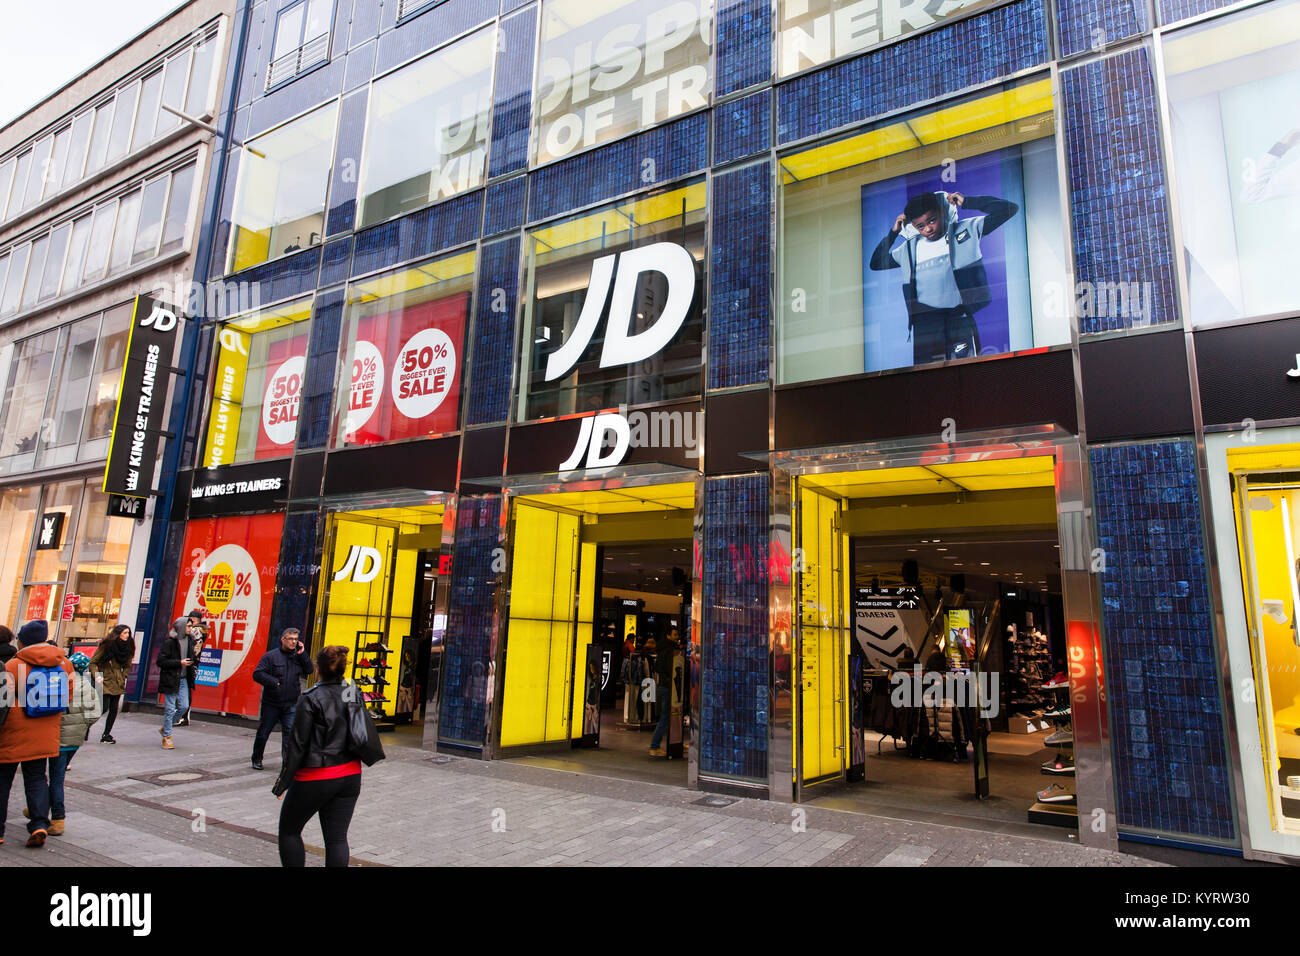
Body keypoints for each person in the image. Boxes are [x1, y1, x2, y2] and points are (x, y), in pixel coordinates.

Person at [869, 190, 1018, 365]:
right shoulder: (908, 249)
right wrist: (893, 232)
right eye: (920, 226)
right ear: (913, 226)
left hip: (958, 318)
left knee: (967, 370)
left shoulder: (966, 229)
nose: (928, 229)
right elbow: (876, 262)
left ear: (942, 212)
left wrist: (967, 201)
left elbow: (1008, 209)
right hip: (926, 325)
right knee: (928, 381)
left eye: (932, 220)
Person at [273, 645, 364, 867]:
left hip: (316, 775)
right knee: (337, 839)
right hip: (350, 774)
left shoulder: (310, 697)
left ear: (318, 668)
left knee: (289, 831)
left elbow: (297, 745)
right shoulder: (352, 691)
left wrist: (282, 783)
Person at [0, 620, 74, 847]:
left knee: (3, 781)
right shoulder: (65, 664)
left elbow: (2, 700)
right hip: (46, 731)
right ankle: (40, 824)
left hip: (13, 732)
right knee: (37, 778)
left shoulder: (12, 665)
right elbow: (68, 698)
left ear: (23, 641)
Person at [47, 652, 102, 835]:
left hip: (58, 739)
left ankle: (58, 818)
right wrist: (83, 726)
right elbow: (95, 713)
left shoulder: (62, 683)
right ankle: (37, 808)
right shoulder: (88, 687)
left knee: (56, 779)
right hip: (75, 740)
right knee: (58, 775)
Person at [251, 628, 313, 770]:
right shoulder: (271, 656)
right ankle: (257, 758)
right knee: (264, 732)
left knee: (289, 734)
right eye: (290, 639)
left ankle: (287, 763)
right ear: (283, 639)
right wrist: (274, 682)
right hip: (272, 703)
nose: (293, 642)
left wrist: (303, 654)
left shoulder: (298, 656)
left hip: (291, 703)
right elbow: (257, 674)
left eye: (296, 639)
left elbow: (309, 670)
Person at [156, 615, 201, 750]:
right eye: (188, 626)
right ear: (181, 627)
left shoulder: (190, 640)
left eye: (191, 626)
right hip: (171, 678)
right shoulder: (170, 642)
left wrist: (195, 658)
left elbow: (191, 658)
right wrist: (179, 662)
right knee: (170, 709)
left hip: (183, 678)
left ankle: (166, 727)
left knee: (184, 706)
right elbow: (161, 661)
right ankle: (167, 737)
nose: (190, 628)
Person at [90, 624, 134, 744]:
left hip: (118, 681)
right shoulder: (107, 646)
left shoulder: (128, 648)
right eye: (125, 633)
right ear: (118, 633)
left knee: (114, 709)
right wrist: (97, 675)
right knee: (103, 707)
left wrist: (124, 675)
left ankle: (106, 734)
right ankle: (85, 727)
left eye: (128, 633)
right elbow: (93, 662)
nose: (127, 635)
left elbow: (127, 665)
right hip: (105, 680)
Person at [648, 628, 681, 757]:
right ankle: (654, 746)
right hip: (668, 687)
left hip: (664, 686)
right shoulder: (670, 651)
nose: (677, 637)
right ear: (668, 636)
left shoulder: (663, 650)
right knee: (665, 717)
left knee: (668, 716)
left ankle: (675, 742)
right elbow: (669, 669)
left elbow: (659, 668)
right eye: (675, 634)